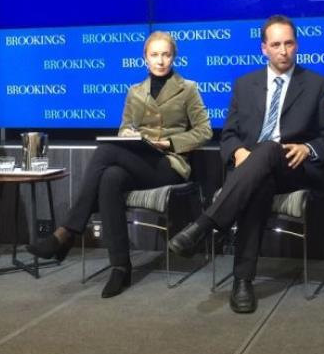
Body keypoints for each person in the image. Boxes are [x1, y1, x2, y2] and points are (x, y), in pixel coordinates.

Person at [168, 15, 324, 313]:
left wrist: (307, 148)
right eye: (276, 45)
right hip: (253, 171)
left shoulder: (316, 84)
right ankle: (242, 282)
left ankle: (205, 225)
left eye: (288, 43)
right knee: (258, 183)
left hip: (293, 168)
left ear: (297, 45)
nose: (283, 51)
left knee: (269, 149)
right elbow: (229, 136)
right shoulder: (244, 84)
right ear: (264, 48)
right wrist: (237, 153)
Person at [27, 31, 212, 298]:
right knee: (111, 177)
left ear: (174, 56)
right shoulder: (135, 92)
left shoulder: (188, 88)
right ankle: (120, 267)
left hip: (170, 165)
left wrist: (169, 143)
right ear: (145, 59)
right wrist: (128, 135)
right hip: (141, 161)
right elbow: (125, 127)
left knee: (105, 152)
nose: (160, 61)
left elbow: (204, 131)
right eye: (154, 55)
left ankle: (66, 232)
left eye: (166, 54)